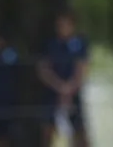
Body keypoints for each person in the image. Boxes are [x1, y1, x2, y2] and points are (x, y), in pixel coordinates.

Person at [38, 10, 90, 147]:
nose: (63, 27)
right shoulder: (50, 45)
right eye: (60, 24)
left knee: (79, 133)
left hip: (73, 94)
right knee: (48, 132)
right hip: (52, 95)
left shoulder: (80, 44)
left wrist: (70, 88)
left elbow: (82, 68)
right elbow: (43, 69)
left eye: (66, 24)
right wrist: (59, 86)